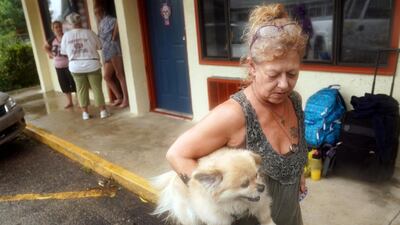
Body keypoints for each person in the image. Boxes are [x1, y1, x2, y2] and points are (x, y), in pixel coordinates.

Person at [165, 4, 308, 225]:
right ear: (252, 67)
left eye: (292, 73)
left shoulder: (295, 101)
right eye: (273, 74)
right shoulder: (234, 115)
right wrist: (213, 199)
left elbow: (293, 150)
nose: (283, 84)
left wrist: (297, 173)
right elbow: (177, 155)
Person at [60, 12, 109, 120]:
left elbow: (64, 52)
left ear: (69, 23)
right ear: (80, 21)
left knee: (81, 89)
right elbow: (100, 46)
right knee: (97, 88)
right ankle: (103, 111)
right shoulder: (89, 33)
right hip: (92, 64)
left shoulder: (66, 36)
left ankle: (85, 114)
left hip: (75, 66)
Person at [94, 6, 129, 108]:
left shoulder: (111, 19)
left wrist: (113, 37)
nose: (97, 14)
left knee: (119, 74)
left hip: (113, 49)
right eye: (96, 13)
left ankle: (126, 99)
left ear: (103, 11)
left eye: (99, 12)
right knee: (106, 76)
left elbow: (119, 21)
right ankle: (119, 97)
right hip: (106, 51)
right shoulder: (100, 24)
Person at [44, 20, 76, 109]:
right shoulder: (52, 40)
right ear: (53, 29)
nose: (58, 29)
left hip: (70, 65)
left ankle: (80, 100)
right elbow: (45, 47)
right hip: (58, 66)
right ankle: (70, 102)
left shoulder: (67, 37)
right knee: (64, 84)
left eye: (59, 26)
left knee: (74, 83)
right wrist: (51, 55)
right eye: (56, 27)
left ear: (62, 27)